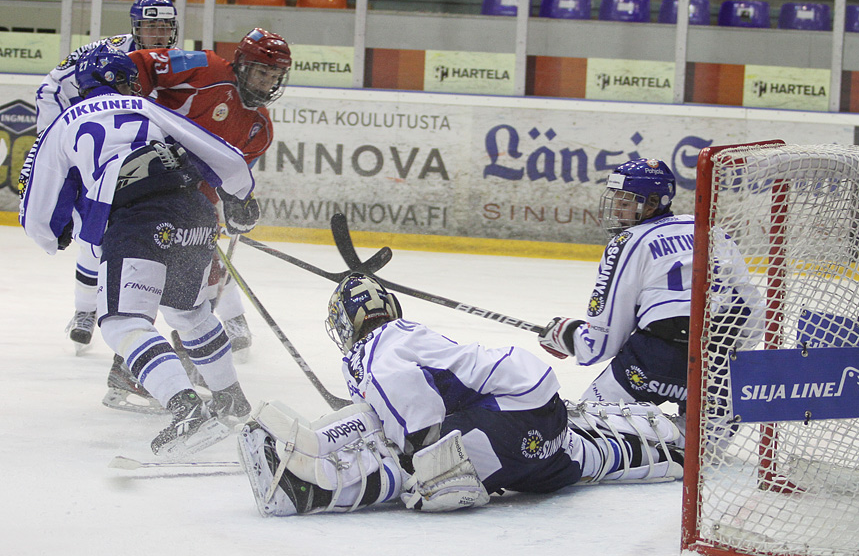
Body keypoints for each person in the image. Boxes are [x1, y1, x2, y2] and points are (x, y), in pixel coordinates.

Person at [235, 273, 684, 516]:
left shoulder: (374, 352)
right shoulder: (407, 334)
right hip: (542, 412)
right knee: (583, 456)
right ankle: (674, 449)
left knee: (411, 462)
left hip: (503, 426)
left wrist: (368, 446)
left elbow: (423, 434)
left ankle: (304, 486)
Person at [19, 44, 259, 458]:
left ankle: (188, 411)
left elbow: (37, 205)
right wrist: (240, 196)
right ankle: (232, 401)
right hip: (195, 214)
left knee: (121, 323)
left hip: (139, 219)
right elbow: (224, 157)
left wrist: (49, 235)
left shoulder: (62, 123)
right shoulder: (150, 110)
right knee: (190, 312)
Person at [537, 158, 762, 418]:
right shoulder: (712, 231)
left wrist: (568, 336)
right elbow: (751, 307)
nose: (617, 211)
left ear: (653, 203)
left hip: (653, 362)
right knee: (704, 456)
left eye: (625, 203)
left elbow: (601, 344)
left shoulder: (630, 241)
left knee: (589, 432)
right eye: (615, 202)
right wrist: (730, 358)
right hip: (719, 366)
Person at [127, 27, 293, 356]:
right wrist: (131, 111)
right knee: (145, 277)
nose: (267, 83)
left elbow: (226, 181)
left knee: (197, 278)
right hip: (144, 184)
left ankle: (178, 355)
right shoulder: (205, 68)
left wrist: (239, 205)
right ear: (243, 65)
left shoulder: (259, 127)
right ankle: (137, 360)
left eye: (274, 76)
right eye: (262, 72)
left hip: (188, 204)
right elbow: (139, 64)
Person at [34, 0, 180, 354]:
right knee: (94, 232)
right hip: (98, 150)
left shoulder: (180, 63)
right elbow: (52, 87)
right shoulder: (108, 52)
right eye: (150, 26)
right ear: (135, 27)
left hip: (146, 154)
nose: (158, 34)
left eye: (165, 26)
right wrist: (58, 136)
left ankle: (221, 312)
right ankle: (85, 311)